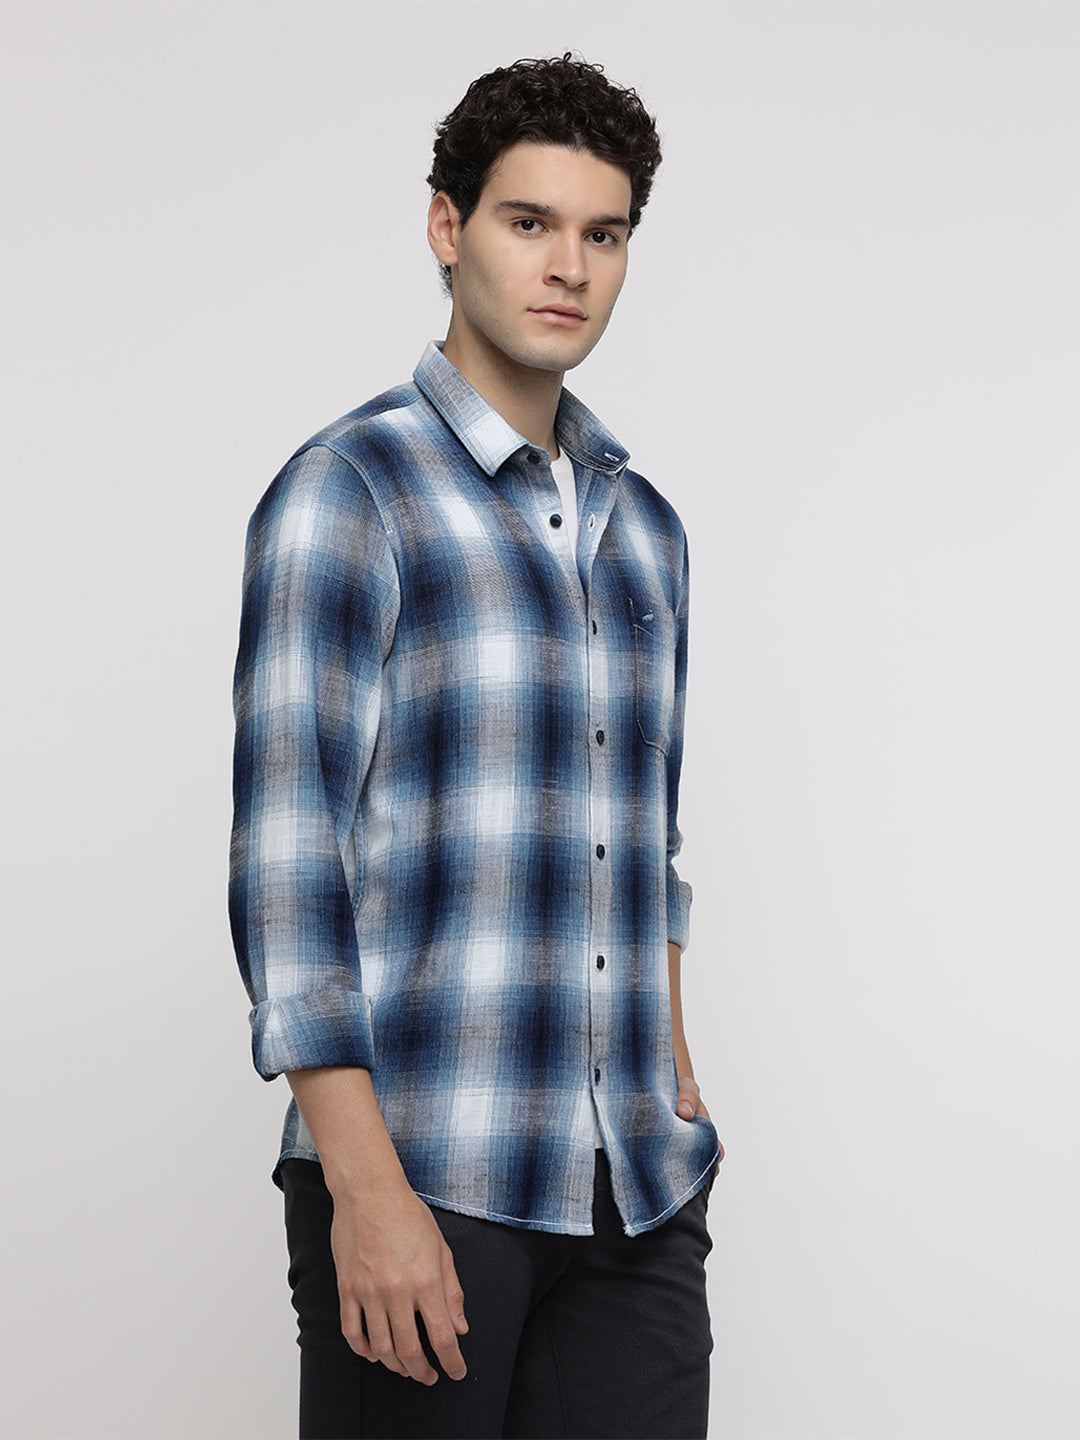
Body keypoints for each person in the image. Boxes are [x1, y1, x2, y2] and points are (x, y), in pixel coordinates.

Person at [229, 52, 722, 1440]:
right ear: (449, 229)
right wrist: (364, 1194)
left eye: (604, 234)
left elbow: (644, 835)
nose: (568, 266)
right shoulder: (350, 493)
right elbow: (289, 869)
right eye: (529, 221)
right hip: (430, 1173)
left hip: (633, 1188)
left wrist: (674, 1069)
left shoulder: (648, 531)